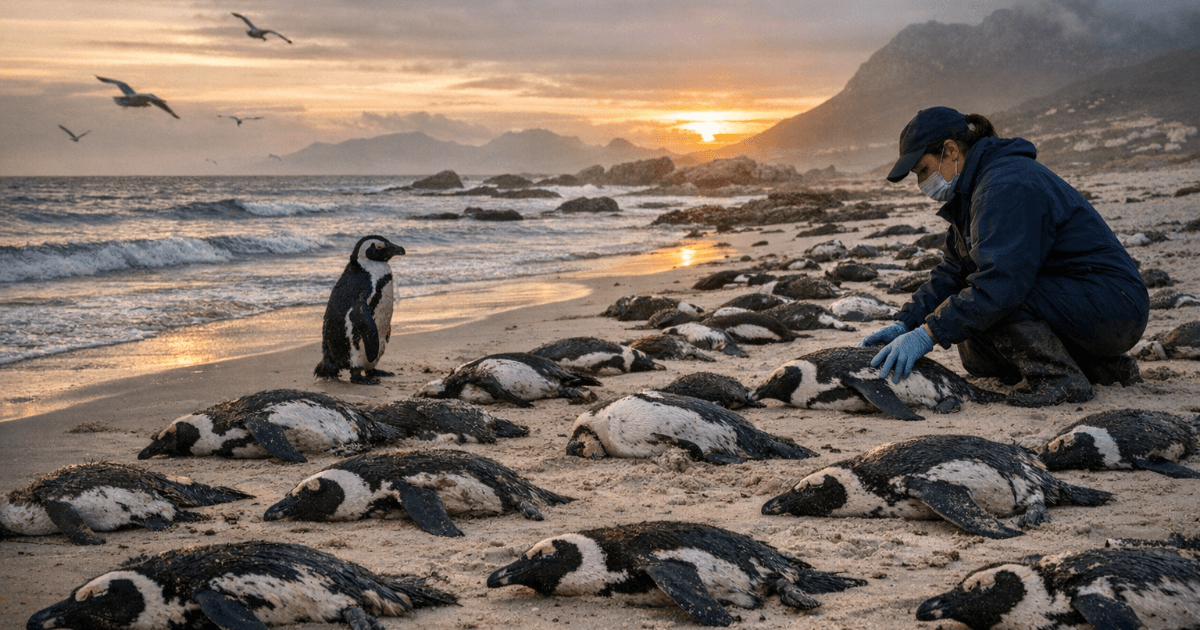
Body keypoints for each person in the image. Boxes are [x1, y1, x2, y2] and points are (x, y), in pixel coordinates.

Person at [859, 106, 1148, 407]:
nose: (922, 184)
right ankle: (1104, 368)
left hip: (1115, 304)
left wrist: (927, 335)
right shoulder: (971, 192)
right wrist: (906, 323)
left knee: (994, 302)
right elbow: (953, 271)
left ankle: (1061, 381)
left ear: (950, 150)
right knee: (976, 353)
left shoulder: (1005, 184)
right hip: (1078, 300)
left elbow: (1001, 283)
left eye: (923, 170)